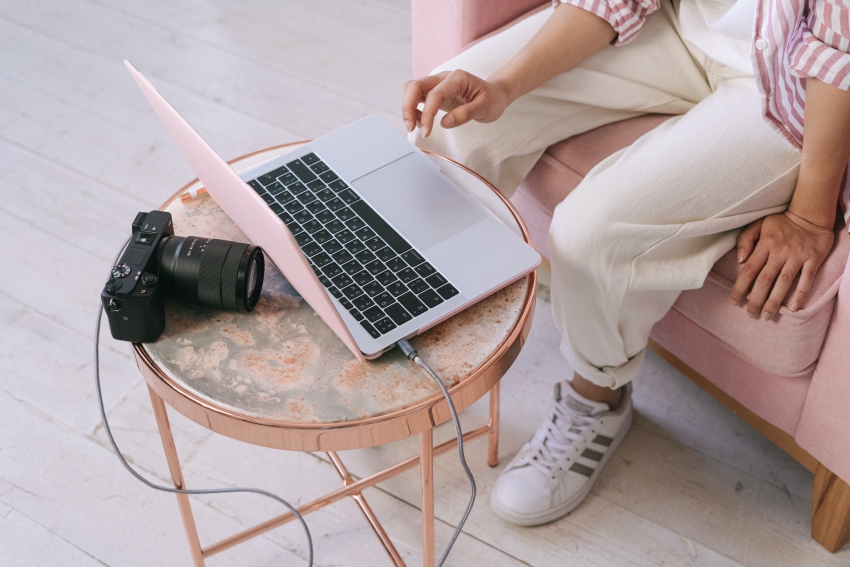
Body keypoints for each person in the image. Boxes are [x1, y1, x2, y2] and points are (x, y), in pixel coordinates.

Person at [402, 0, 850, 526]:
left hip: (792, 92)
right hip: (682, 27)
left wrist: (811, 217)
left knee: (591, 235)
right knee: (451, 121)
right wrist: (503, 86)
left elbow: (838, 50)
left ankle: (597, 402)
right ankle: (418, 330)